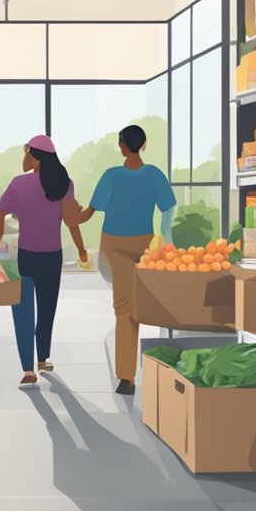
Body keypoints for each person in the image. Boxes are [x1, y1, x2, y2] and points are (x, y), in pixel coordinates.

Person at [76, 125, 176, 395]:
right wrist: (168, 242)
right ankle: (129, 373)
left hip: (116, 247)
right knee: (132, 309)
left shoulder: (112, 176)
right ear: (143, 145)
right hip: (146, 246)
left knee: (125, 310)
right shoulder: (155, 175)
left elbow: (88, 213)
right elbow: (168, 210)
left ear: (122, 145)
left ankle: (126, 377)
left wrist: (70, 215)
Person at [0, 135, 88, 387]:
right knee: (47, 308)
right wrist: (82, 250)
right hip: (53, 256)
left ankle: (28, 369)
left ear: (35, 156)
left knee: (22, 311)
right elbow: (71, 221)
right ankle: (42, 358)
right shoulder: (65, 183)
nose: (25, 157)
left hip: (27, 256)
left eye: (27, 152)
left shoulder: (19, 184)